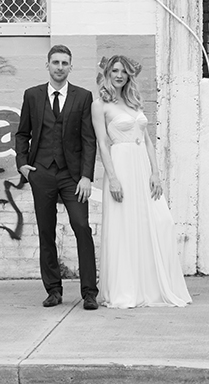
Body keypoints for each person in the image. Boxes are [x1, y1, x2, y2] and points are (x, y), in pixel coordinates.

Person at [92, 55, 192, 308]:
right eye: (114, 70)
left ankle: (152, 286)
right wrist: (112, 178)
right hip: (120, 167)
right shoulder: (100, 104)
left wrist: (155, 172)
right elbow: (102, 143)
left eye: (124, 71)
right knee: (124, 228)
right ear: (107, 73)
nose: (119, 75)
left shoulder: (134, 101)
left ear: (129, 76)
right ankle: (125, 290)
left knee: (161, 221)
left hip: (142, 167)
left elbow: (146, 139)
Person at [15, 45, 99, 310]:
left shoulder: (83, 97)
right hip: (41, 173)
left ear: (70, 67)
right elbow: (22, 134)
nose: (60, 67)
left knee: (82, 227)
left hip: (72, 177)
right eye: (55, 62)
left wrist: (86, 176)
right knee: (46, 232)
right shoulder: (33, 95)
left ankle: (89, 292)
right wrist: (22, 164)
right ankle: (53, 290)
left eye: (65, 63)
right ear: (47, 65)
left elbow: (89, 140)